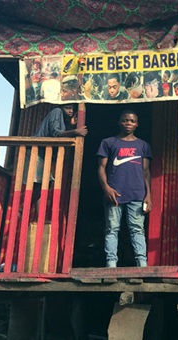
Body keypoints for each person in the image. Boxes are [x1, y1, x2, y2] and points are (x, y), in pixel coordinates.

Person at [97, 110, 152, 268]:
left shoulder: (143, 145)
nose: (128, 123)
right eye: (125, 120)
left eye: (132, 121)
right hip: (114, 194)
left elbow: (146, 171)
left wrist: (148, 195)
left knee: (137, 229)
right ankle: (111, 264)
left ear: (137, 124)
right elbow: (101, 168)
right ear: (119, 122)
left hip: (137, 193)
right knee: (112, 228)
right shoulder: (108, 142)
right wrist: (106, 188)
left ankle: (142, 263)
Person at [28, 104, 88, 184]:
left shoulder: (62, 119)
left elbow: (61, 134)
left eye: (72, 109)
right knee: (39, 182)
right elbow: (55, 133)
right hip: (37, 152)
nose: (71, 111)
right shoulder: (57, 111)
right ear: (61, 107)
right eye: (68, 108)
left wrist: (71, 125)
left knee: (45, 182)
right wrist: (76, 131)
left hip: (44, 154)